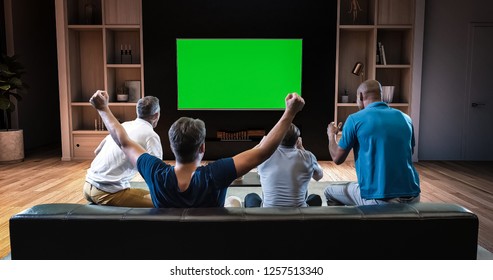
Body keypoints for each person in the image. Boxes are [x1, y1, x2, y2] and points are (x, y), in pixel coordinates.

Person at [89, 90, 305, 208]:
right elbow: (262, 151)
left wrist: (103, 109)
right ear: (202, 147)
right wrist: (290, 112)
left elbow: (123, 141)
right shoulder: (216, 174)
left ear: (172, 147)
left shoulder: (155, 173)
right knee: (235, 203)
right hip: (210, 245)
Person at [324, 79, 420, 205]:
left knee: (329, 191)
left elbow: (337, 158)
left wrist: (331, 135)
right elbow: (410, 152)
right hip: (413, 196)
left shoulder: (355, 119)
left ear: (361, 96)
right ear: (380, 95)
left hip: (380, 200)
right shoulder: (406, 118)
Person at [83, 96, 163, 207]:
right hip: (108, 193)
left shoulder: (123, 126)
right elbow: (157, 175)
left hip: (87, 187)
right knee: (163, 201)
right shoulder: (151, 136)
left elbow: (97, 151)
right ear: (156, 115)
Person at [244, 123, 324, 207]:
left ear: (276, 137)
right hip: (299, 215)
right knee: (315, 198)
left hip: (268, 214)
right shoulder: (308, 156)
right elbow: (319, 176)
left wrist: (264, 143)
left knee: (250, 197)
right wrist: (301, 148)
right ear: (297, 140)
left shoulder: (264, 155)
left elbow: (246, 160)